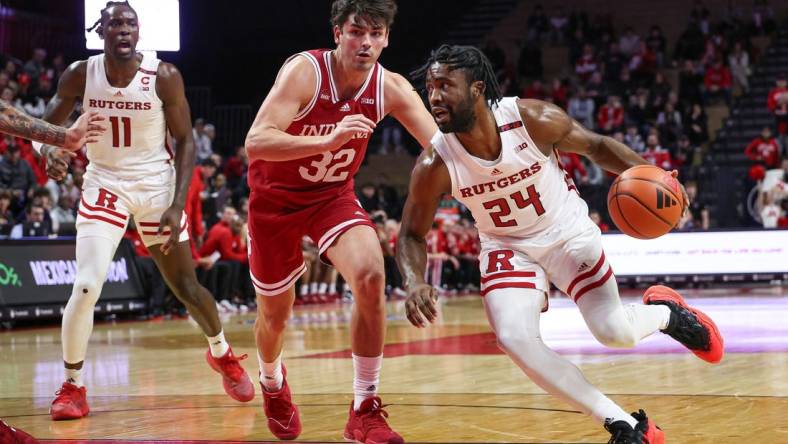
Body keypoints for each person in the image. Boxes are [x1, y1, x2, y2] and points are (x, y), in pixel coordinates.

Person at [398, 45, 724, 444]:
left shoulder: (531, 119)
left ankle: (668, 315)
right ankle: (627, 425)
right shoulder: (435, 164)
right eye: (430, 87)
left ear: (477, 89)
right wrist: (414, 281)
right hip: (507, 246)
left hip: (567, 233)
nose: (433, 97)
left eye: (445, 86)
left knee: (614, 332)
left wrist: (655, 177)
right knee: (514, 338)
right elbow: (411, 233)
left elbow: (597, 147)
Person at [36, 1, 253, 421]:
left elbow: (186, 141)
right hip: (105, 182)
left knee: (187, 288)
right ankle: (72, 385)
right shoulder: (81, 74)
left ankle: (222, 353)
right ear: (101, 31)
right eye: (115, 22)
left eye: (130, 23)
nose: (123, 29)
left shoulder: (164, 76)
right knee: (86, 286)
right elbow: (46, 129)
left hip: (156, 185)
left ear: (138, 32)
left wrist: (176, 203)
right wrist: (51, 152)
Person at [243, 0, 436, 441]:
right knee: (276, 315)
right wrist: (329, 137)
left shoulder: (392, 88)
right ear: (337, 33)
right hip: (274, 202)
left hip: (331, 197)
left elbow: (441, 149)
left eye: (374, 33)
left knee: (370, 274)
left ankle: (363, 409)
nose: (364, 42)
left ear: (386, 38)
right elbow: (257, 141)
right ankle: (272, 381)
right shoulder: (305, 72)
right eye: (355, 31)